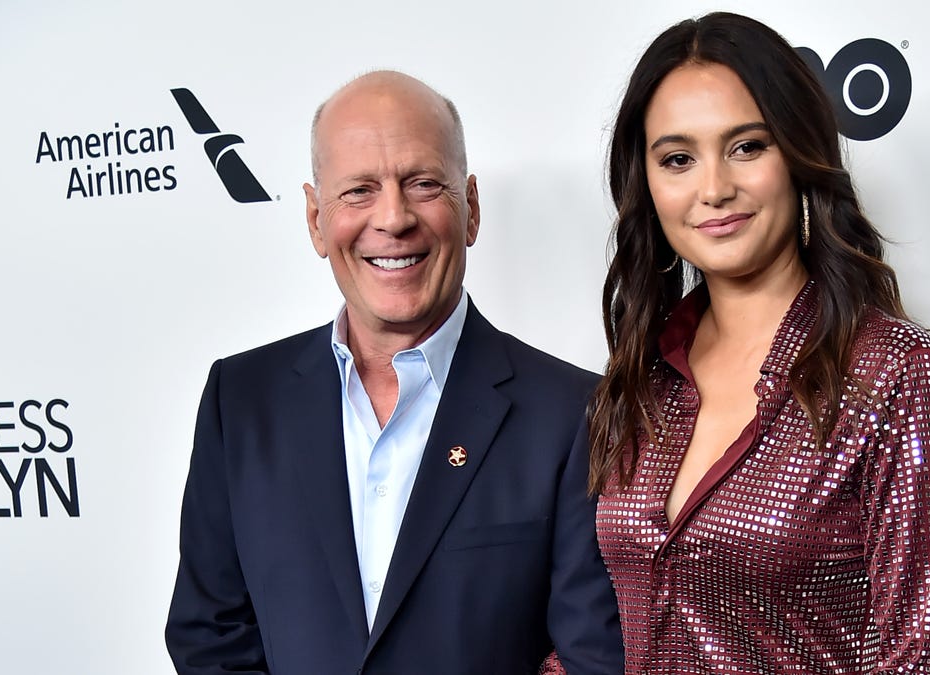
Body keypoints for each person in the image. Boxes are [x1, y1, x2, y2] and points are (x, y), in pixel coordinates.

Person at [165, 71, 623, 675]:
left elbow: (591, 655)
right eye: (358, 191)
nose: (393, 217)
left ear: (472, 209)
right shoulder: (241, 400)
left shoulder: (574, 412)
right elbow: (211, 635)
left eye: (424, 183)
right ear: (315, 220)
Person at [588, 12, 930, 674]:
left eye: (747, 146)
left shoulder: (895, 375)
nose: (713, 188)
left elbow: (926, 658)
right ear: (648, 183)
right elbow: (598, 632)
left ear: (798, 153)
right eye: (678, 159)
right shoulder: (639, 377)